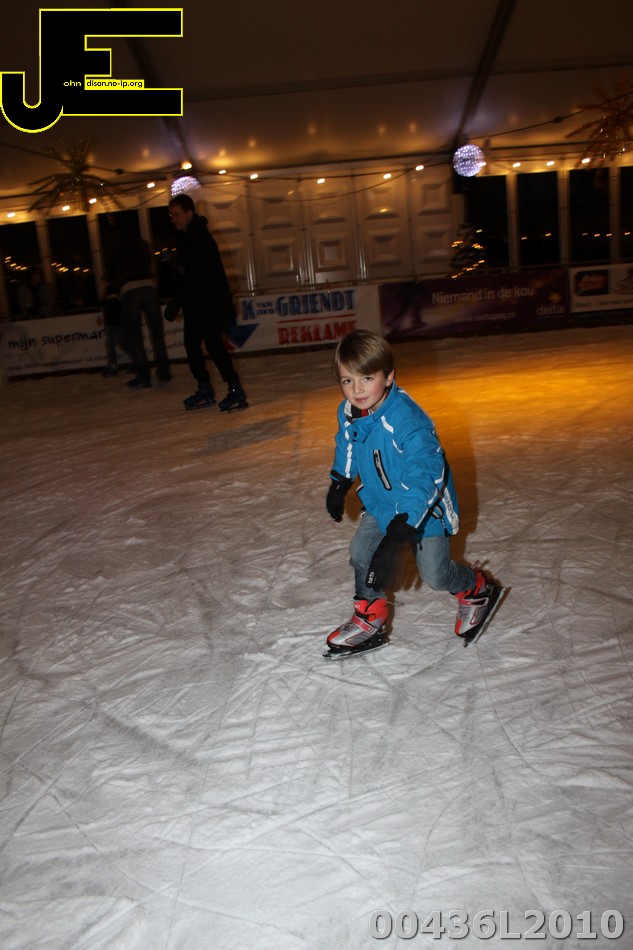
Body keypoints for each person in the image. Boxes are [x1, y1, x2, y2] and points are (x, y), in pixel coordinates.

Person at [325, 329, 503, 656]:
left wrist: (401, 530)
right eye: (347, 380)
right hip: (381, 501)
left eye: (367, 378)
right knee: (361, 553)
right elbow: (347, 443)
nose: (357, 390)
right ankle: (369, 615)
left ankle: (475, 588)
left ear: (389, 377)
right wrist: (340, 480)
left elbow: (426, 474)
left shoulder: (408, 421)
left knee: (435, 574)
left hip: (425, 508)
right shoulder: (349, 411)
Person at [165, 193, 247, 411]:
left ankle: (235, 389)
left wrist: (178, 300)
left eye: (176, 214)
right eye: (171, 215)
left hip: (211, 303)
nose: (173, 219)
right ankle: (205, 388)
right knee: (191, 344)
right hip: (195, 303)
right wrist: (178, 297)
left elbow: (199, 275)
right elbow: (183, 274)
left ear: (189, 212)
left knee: (213, 344)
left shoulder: (200, 237)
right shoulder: (184, 238)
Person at [106, 235, 171, 389]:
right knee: (157, 335)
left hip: (128, 289)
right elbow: (149, 262)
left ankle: (144, 376)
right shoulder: (141, 244)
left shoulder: (113, 247)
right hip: (148, 286)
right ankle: (164, 373)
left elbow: (111, 271)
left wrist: (117, 283)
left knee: (135, 338)